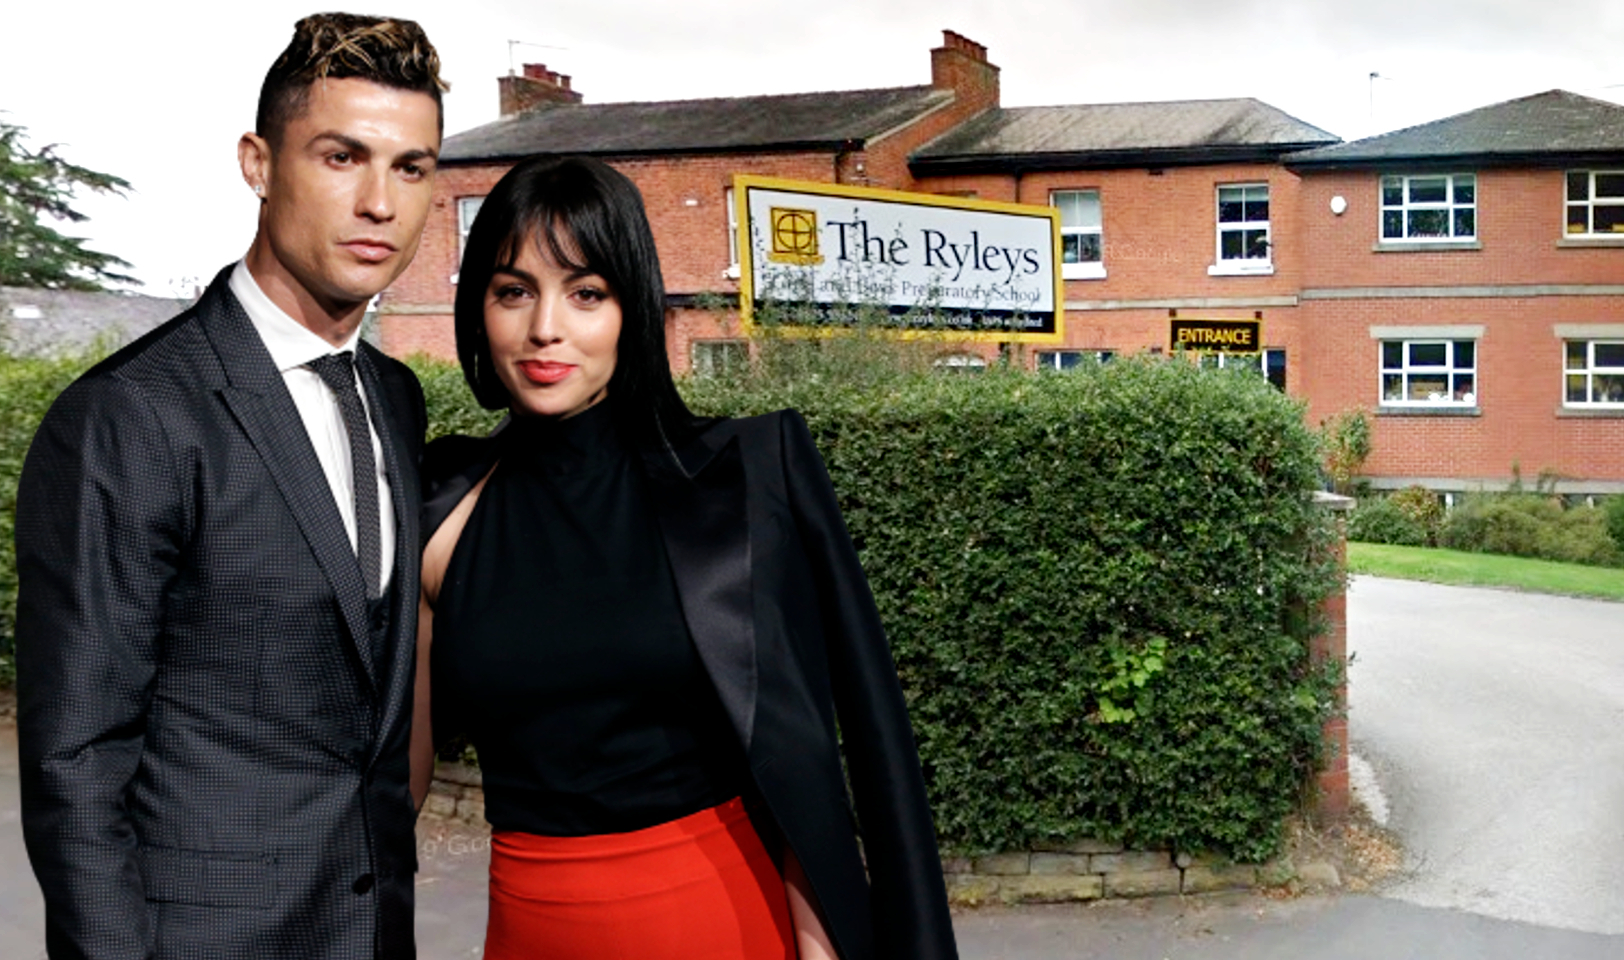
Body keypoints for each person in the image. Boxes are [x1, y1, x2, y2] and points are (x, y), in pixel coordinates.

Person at [411, 155, 959, 960]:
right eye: (513, 291)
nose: (545, 329)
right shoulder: (440, 508)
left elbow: (811, 753)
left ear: (632, 307)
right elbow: (392, 788)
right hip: (528, 925)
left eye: (586, 292)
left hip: (716, 919)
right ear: (479, 309)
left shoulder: (745, 477)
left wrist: (820, 945)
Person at [14, 14, 445, 959]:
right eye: (342, 157)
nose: (380, 202)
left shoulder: (395, 398)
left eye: (411, 167)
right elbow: (75, 763)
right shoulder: (129, 416)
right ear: (258, 162)